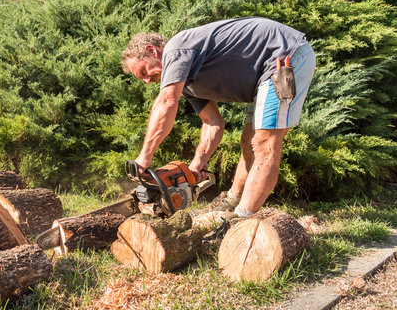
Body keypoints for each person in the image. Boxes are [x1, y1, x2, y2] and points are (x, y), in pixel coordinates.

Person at [121, 17, 316, 219]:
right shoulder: (187, 82)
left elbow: (167, 102)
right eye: (141, 78)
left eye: (144, 71)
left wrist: (145, 156)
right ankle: (231, 202)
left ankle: (240, 219)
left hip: (283, 56)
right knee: (248, 142)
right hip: (264, 73)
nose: (146, 80)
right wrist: (197, 163)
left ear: (152, 51)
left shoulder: (176, 49)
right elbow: (212, 122)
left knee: (264, 143)